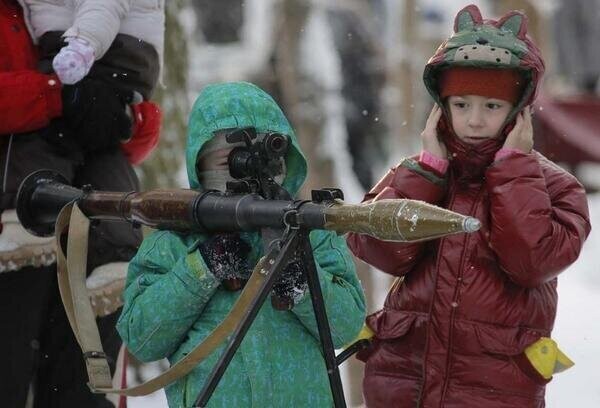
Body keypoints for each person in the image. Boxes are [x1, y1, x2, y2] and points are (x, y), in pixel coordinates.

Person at [346, 4, 591, 407]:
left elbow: (533, 262)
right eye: (461, 105)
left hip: (492, 389)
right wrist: (428, 173)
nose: (474, 120)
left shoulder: (556, 188)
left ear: (519, 111)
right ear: (441, 107)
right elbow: (379, 249)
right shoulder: (419, 172)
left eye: (491, 106)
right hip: (404, 382)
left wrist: (513, 172)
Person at [117, 81, 366, 407]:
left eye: (265, 158)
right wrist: (201, 268)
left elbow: (346, 327)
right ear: (199, 168)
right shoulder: (174, 243)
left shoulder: (310, 237)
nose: (252, 173)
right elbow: (142, 338)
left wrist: (301, 281)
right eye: (230, 163)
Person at [0, 1, 162, 407]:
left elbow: (134, 135)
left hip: (88, 230)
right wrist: (57, 97)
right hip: (15, 230)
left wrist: (126, 117)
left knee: (81, 386)